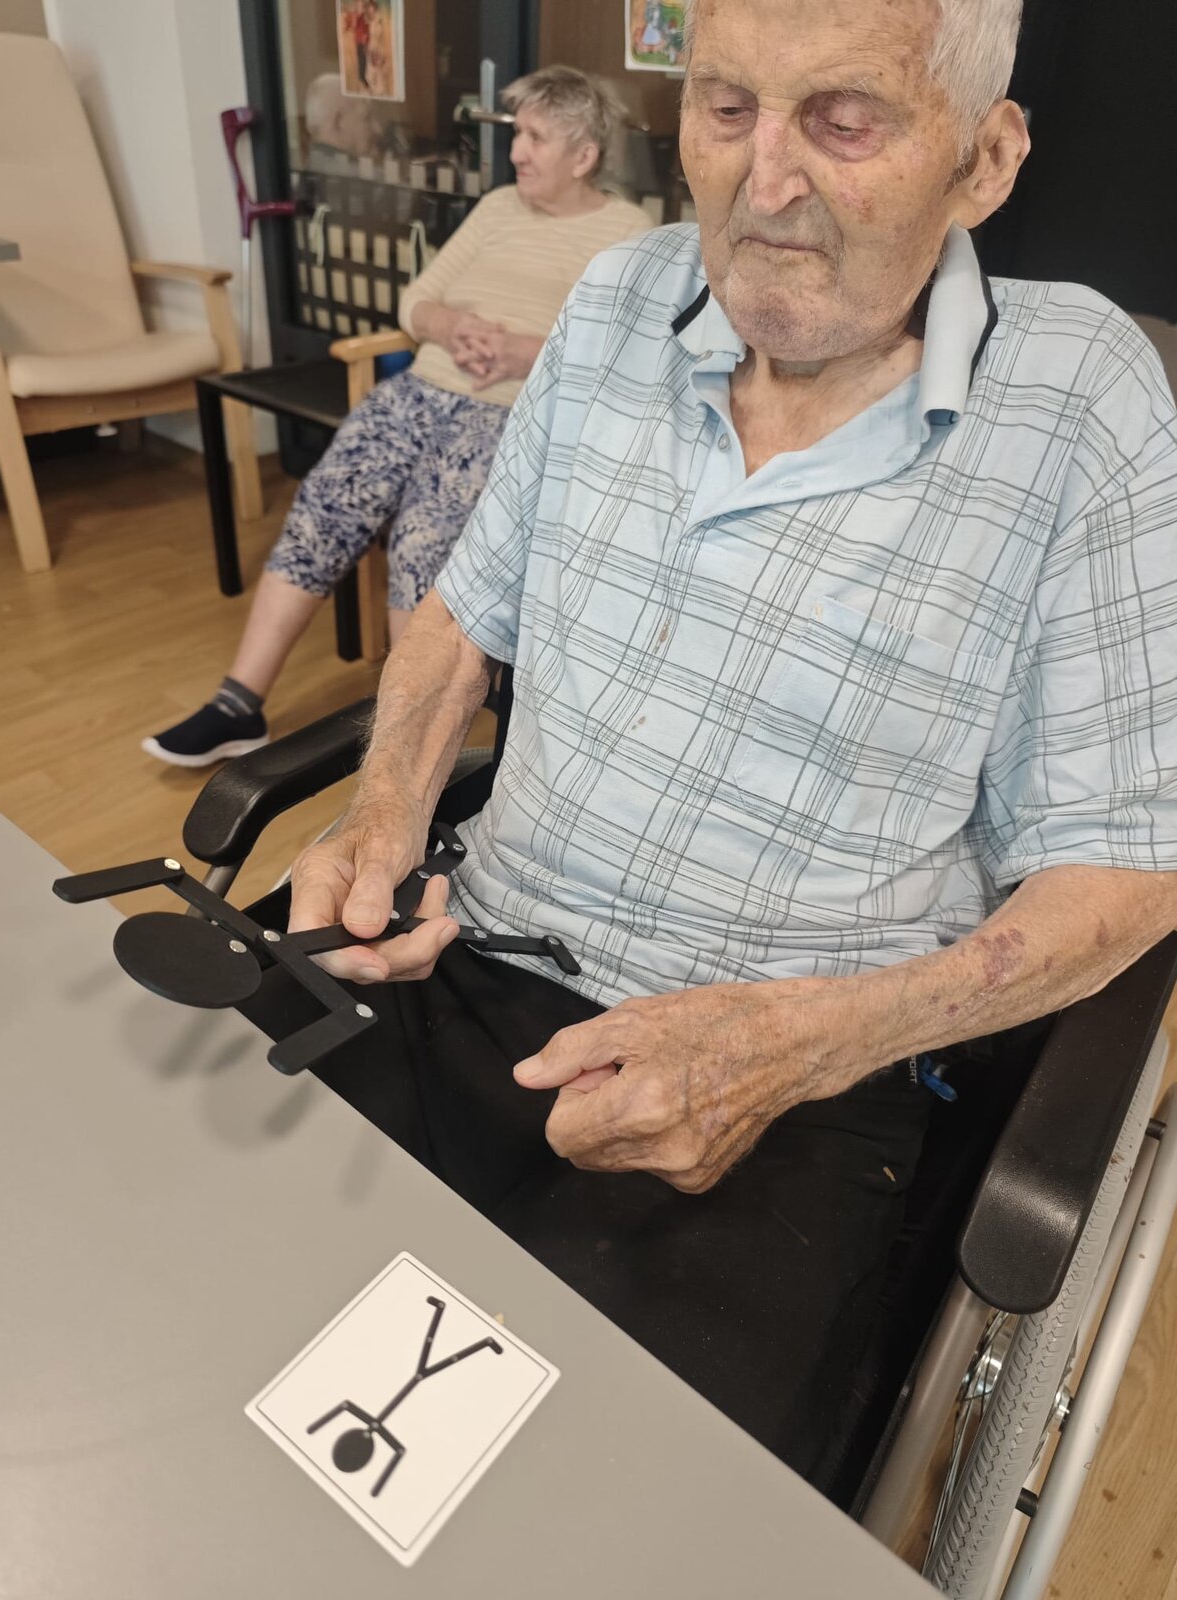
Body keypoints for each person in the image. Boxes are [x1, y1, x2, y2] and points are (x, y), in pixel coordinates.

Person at [284, 0, 1177, 1491]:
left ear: (984, 161)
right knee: (186, 1282)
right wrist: (382, 814)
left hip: (794, 1079)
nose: (766, 182)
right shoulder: (621, 295)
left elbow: (1134, 863)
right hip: (468, 955)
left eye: (844, 120)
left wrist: (803, 1043)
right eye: (725, 108)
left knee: (574, 1512)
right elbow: (463, 613)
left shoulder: (1082, 399)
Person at [144, 67, 650, 766]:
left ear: (584, 155)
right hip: (416, 392)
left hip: (505, 416)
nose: (516, 152)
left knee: (423, 546)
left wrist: (524, 351)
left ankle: (400, 749)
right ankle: (239, 703)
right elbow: (416, 299)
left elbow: (624, 346)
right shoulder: (498, 208)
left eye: (535, 137)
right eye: (518, 135)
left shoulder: (628, 233)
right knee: (324, 506)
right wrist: (452, 324)